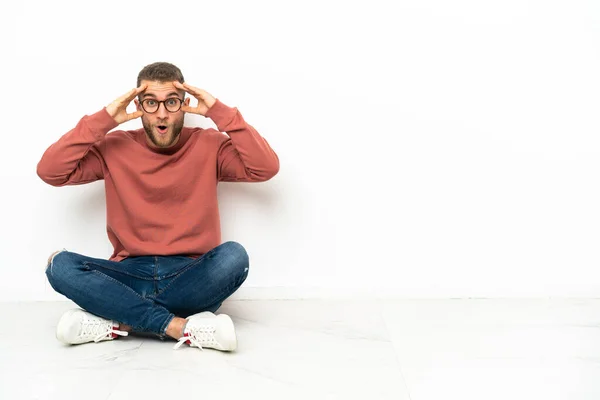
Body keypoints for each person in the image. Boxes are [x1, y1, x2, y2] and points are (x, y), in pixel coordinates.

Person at [37, 62, 280, 352]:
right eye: (151, 103)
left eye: (171, 102)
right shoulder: (114, 146)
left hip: (189, 277)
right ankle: (179, 326)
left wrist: (219, 112)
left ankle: (120, 321)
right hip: (128, 275)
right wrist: (103, 120)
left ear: (185, 105)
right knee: (59, 265)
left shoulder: (211, 144)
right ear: (138, 106)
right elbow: (50, 171)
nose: (162, 113)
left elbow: (266, 167)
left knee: (234, 257)